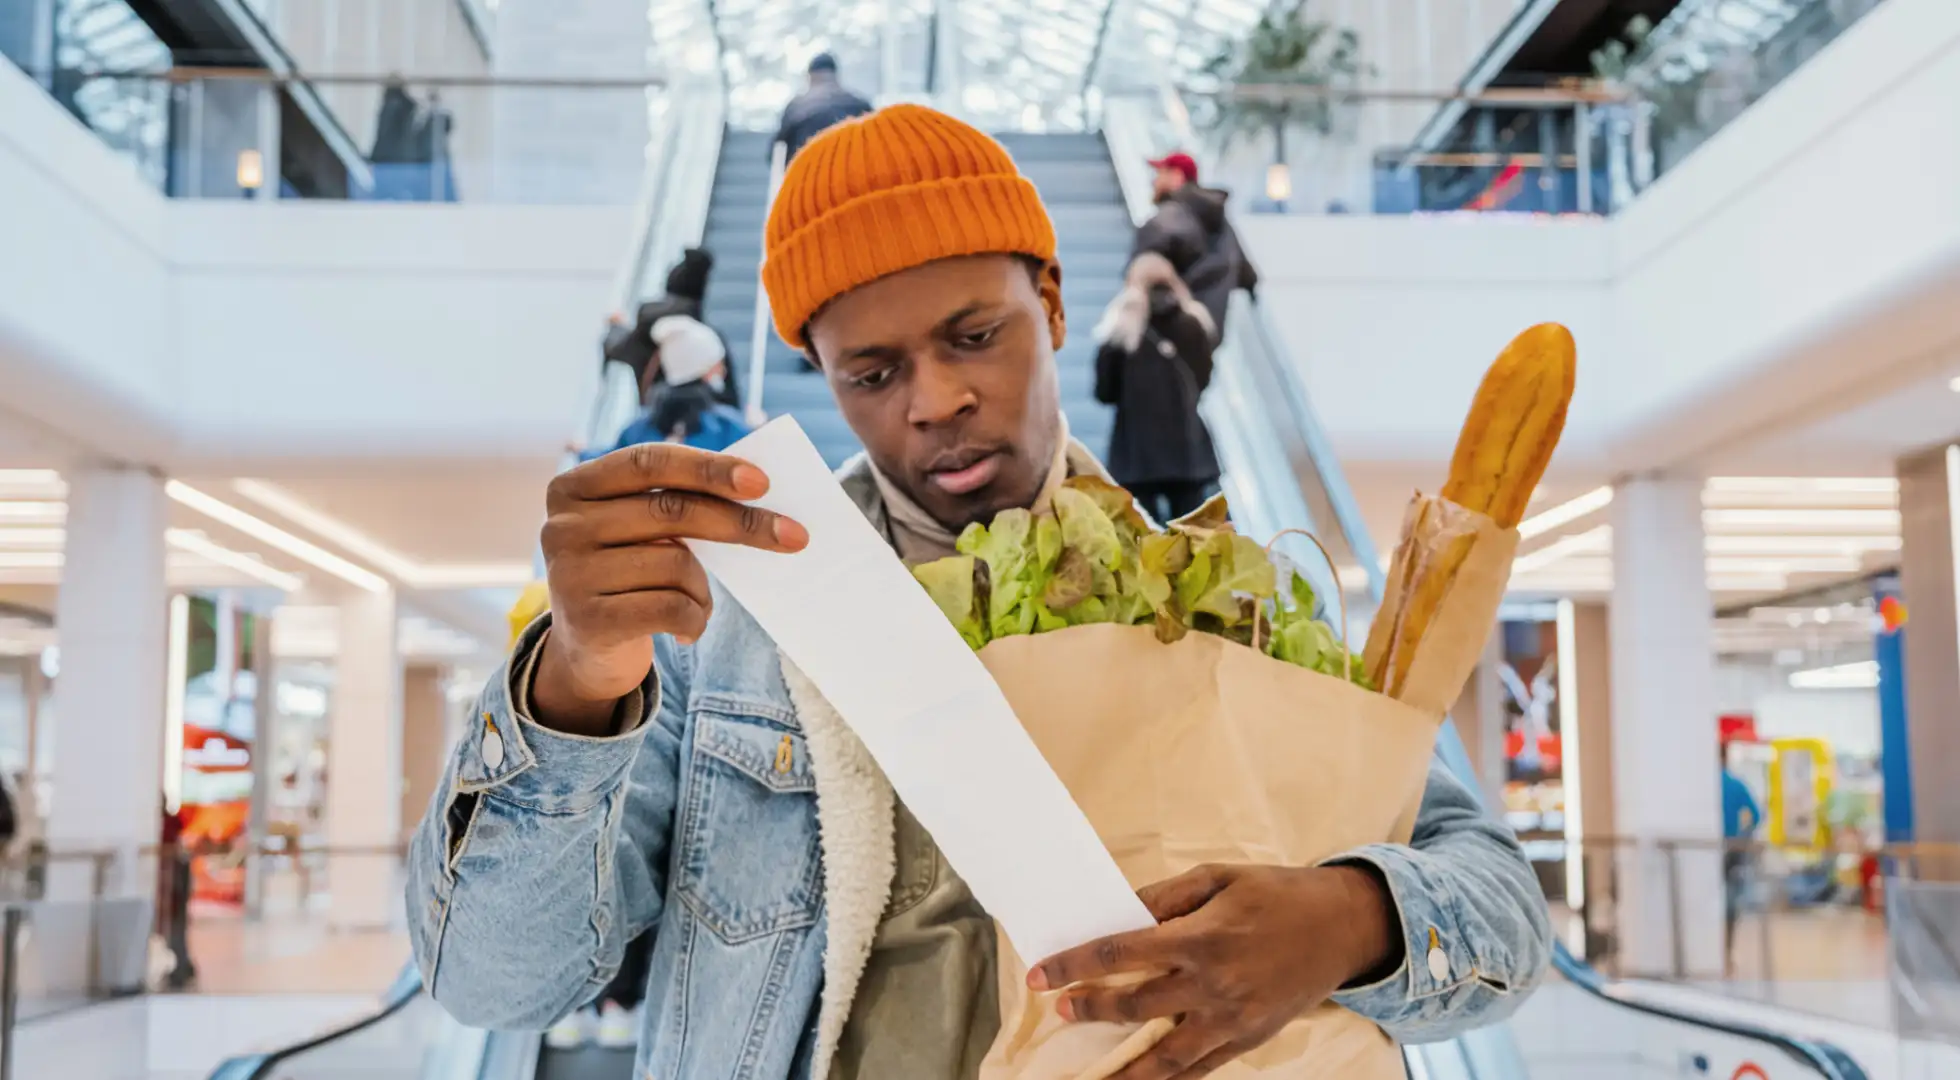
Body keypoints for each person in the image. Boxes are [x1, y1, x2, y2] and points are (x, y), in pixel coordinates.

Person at [408, 104, 1551, 1079]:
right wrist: (574, 687)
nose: (936, 399)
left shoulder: (1220, 599)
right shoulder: (718, 630)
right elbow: (495, 981)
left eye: (974, 334)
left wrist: (1352, 920)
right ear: (824, 379)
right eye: (874, 372)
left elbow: (1497, 903)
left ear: (1051, 306)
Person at [1092, 251, 1219, 523]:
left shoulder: (1119, 329)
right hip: (1186, 449)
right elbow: (1204, 381)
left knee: (1140, 538)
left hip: (1136, 452)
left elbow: (1103, 392)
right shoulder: (1194, 323)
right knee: (1193, 537)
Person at [1134, 151, 1260, 341]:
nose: (1154, 182)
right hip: (1207, 337)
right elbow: (1247, 276)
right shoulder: (1222, 224)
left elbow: (1139, 272)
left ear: (1177, 176)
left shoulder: (1165, 221)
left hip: (1168, 340)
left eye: (1160, 174)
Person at [773, 53, 873, 163]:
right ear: (835, 75)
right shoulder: (860, 104)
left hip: (807, 173)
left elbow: (777, 150)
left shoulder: (795, 107)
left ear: (810, 76)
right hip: (851, 173)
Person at [1722, 766, 1763, 973]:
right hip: (1733, 848)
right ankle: (1727, 950)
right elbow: (1756, 815)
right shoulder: (1735, 783)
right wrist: (1743, 836)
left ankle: (1711, 948)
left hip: (1710, 850)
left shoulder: (1701, 785)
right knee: (1730, 901)